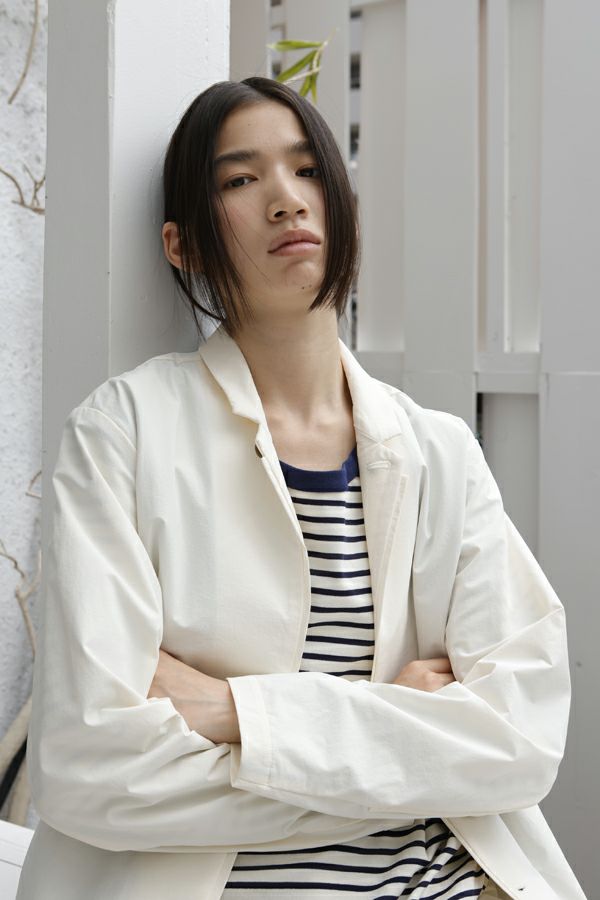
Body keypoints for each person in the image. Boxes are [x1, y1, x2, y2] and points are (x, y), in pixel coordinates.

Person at [16, 77, 586, 900]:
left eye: (308, 169)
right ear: (184, 245)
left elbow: (520, 742)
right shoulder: (122, 432)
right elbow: (90, 768)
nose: (286, 199)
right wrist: (399, 735)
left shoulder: (439, 452)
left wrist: (236, 712)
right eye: (240, 180)